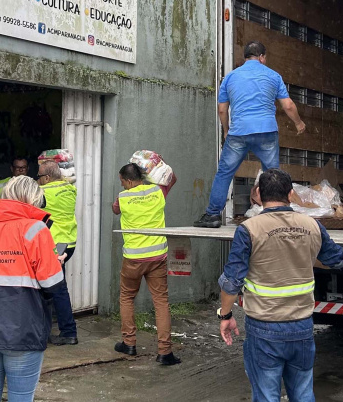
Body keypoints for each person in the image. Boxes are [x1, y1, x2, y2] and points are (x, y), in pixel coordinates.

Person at [218, 169, 343, 402]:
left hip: (264, 327)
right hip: (301, 326)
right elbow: (337, 260)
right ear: (290, 194)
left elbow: (232, 281)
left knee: (267, 396)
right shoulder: (312, 225)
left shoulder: (248, 230)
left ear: (258, 194)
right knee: (303, 394)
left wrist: (225, 315)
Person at [0, 175, 64, 402]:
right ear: (34, 199)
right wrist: (56, 262)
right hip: (23, 330)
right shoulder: (36, 230)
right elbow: (52, 285)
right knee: (21, 396)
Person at [195, 41, 306, 228]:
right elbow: (288, 105)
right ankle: (276, 215)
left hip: (239, 132)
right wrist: (298, 122)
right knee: (273, 175)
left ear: (245, 57)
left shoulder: (230, 77)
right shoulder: (273, 76)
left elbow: (222, 110)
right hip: (266, 131)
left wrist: (226, 130)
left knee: (224, 173)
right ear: (262, 57)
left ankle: (212, 215)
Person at [112, 163, 181, 365]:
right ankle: (165, 352)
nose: (122, 185)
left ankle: (129, 343)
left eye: (122, 181)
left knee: (127, 297)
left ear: (129, 180)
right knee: (161, 302)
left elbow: (115, 210)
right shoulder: (158, 191)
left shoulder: (122, 198)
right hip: (157, 257)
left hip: (133, 259)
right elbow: (172, 178)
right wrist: (155, 165)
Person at [37, 160, 79, 346]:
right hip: (68, 244)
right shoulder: (70, 188)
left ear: (47, 177)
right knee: (56, 287)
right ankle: (64, 331)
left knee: (54, 290)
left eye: (39, 176)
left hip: (54, 246)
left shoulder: (44, 193)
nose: (37, 179)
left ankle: (67, 332)